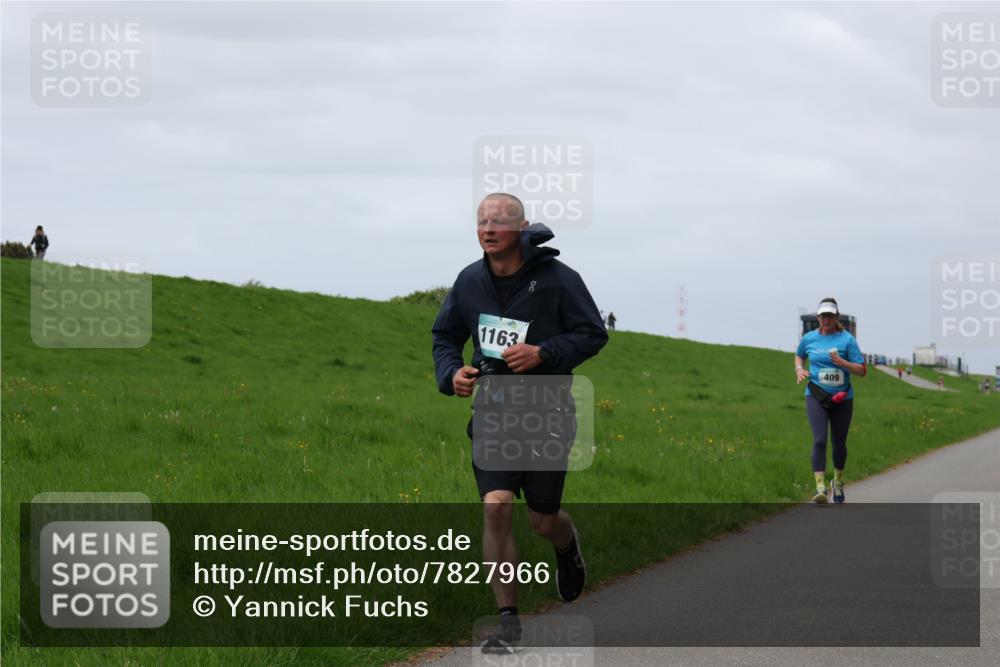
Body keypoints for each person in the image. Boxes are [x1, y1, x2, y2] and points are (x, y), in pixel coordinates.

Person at [432, 193, 608, 654]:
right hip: (493, 410)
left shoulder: (558, 280)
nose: (488, 229)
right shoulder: (469, 280)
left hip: (548, 410)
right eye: (481, 221)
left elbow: (593, 333)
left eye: (499, 222)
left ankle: (567, 548)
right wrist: (452, 372)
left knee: (542, 520)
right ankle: (508, 622)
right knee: (496, 505)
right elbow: (445, 335)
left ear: (522, 226)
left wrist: (544, 353)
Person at [795, 298, 866, 504]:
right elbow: (799, 355)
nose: (826, 319)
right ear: (818, 317)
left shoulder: (847, 340)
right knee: (819, 439)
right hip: (816, 394)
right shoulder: (809, 338)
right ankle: (820, 488)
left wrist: (843, 362)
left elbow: (862, 371)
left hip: (843, 398)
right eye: (823, 316)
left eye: (830, 315)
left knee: (839, 443)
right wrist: (799, 369)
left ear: (837, 317)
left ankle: (838, 481)